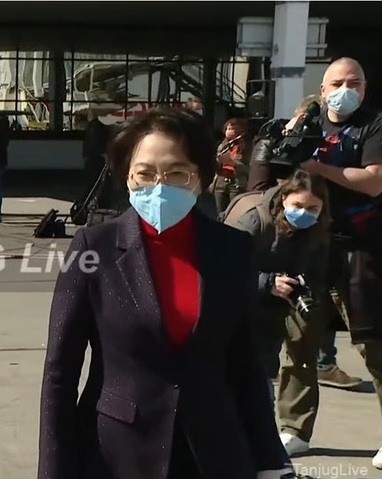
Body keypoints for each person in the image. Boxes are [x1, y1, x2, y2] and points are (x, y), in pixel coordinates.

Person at [38, 108, 291, 479]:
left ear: (200, 178)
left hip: (215, 451)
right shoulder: (94, 247)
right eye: (145, 173)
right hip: (118, 453)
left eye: (176, 173)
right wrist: (53, 470)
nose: (159, 185)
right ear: (127, 177)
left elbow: (245, 364)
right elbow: (60, 372)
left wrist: (271, 460)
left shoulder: (232, 248)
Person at [250, 58, 382, 465]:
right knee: (299, 340)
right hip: (307, 246)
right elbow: (280, 177)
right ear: (322, 90)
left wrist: (318, 167)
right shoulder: (307, 122)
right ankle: (294, 428)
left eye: (354, 82)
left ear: (364, 87)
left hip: (360, 246)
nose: (345, 90)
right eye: (336, 83)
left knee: (371, 340)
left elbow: (375, 181)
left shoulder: (373, 125)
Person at [230, 170, 330, 418]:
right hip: (241, 311)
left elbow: (318, 270)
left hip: (276, 312)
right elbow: (223, 269)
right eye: (298, 205)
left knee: (269, 375)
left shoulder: (317, 230)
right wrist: (268, 283)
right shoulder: (255, 221)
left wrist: (305, 285)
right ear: (284, 198)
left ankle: (284, 430)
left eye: (313, 209)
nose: (304, 213)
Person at [212, 117, 252, 213]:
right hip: (221, 182)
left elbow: (249, 169)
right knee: (220, 211)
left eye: (231, 129)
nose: (228, 131)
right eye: (227, 129)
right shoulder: (222, 146)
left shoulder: (246, 147)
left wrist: (233, 163)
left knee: (233, 212)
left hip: (236, 184)